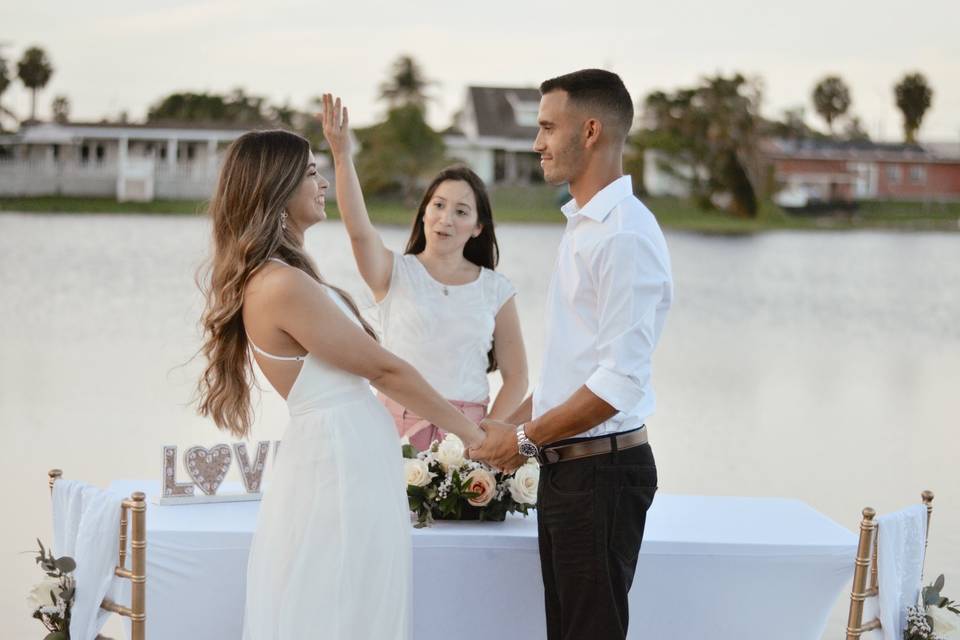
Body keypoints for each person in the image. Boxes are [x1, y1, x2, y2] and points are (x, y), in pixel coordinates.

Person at [195, 129, 485, 639]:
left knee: (355, 602)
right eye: (310, 172)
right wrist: (475, 436)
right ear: (276, 187)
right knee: (337, 606)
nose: (321, 180)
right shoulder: (279, 283)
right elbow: (384, 369)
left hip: (348, 458)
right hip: (337, 465)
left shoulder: (285, 274)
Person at [471, 69, 674, 640]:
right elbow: (572, 374)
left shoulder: (623, 234)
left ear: (589, 131)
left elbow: (619, 382)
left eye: (546, 127)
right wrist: (506, 428)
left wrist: (524, 440)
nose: (537, 143)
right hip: (573, 470)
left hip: (603, 473)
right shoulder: (585, 227)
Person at [319, 94, 528, 452]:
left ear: (478, 227)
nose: (446, 218)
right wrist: (341, 156)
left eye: (462, 211)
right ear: (424, 213)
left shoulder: (495, 288)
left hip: (467, 438)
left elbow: (517, 376)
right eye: (439, 205)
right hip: (392, 432)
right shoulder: (393, 272)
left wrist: (486, 435)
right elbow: (358, 229)